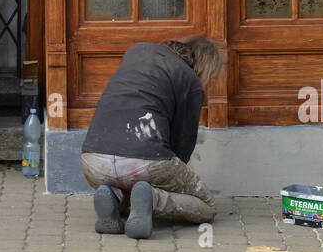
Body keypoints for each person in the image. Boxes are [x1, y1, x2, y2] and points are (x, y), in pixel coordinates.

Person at [80, 35, 223, 240]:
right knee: (207, 207)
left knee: (135, 183)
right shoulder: (190, 81)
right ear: (203, 65)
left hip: (93, 161)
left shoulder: (135, 51)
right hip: (146, 160)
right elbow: (183, 144)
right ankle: (153, 199)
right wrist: (165, 180)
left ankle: (113, 197)